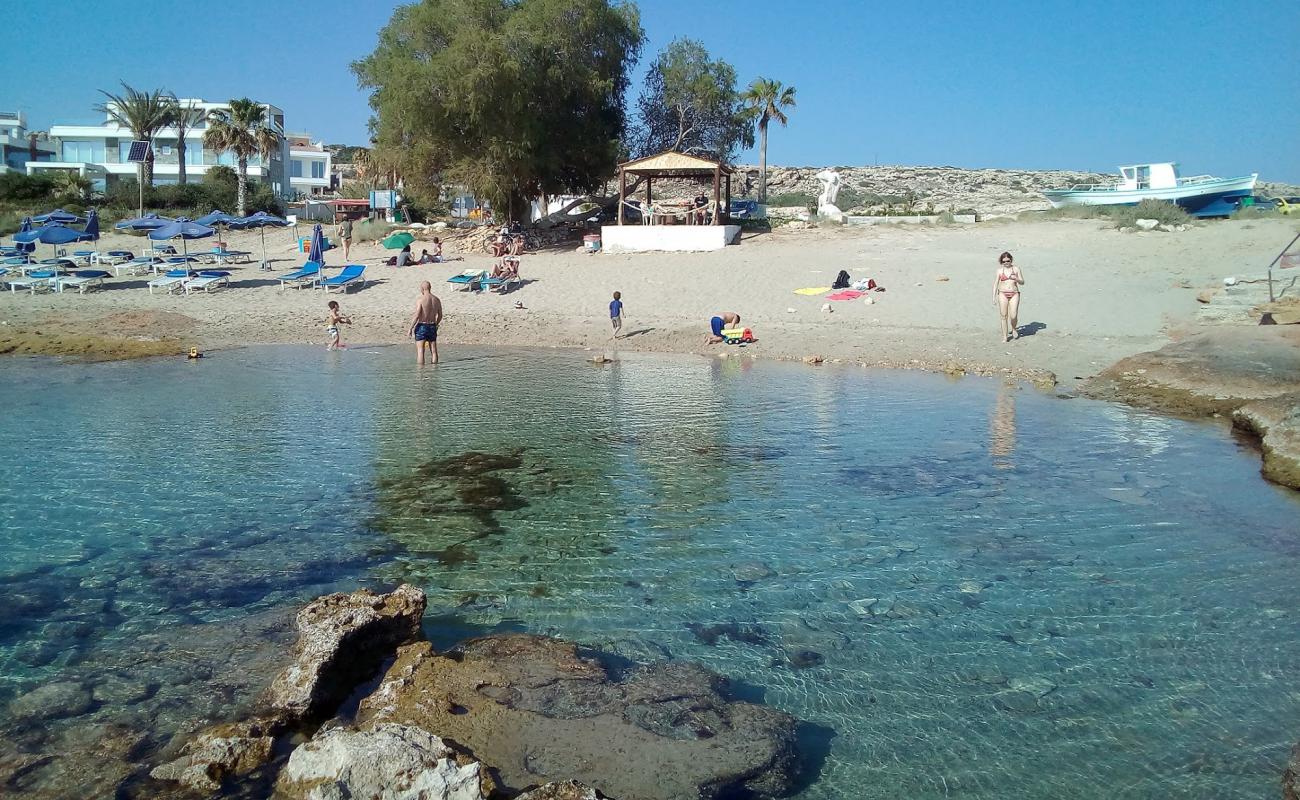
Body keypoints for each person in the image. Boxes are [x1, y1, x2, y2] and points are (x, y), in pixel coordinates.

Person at [992, 251, 1025, 342]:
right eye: (1004, 261)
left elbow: (1022, 282)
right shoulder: (999, 271)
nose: (1006, 263)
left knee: (1013, 315)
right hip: (1002, 293)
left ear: (1011, 260)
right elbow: (995, 284)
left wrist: (1017, 279)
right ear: (1001, 262)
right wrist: (993, 297)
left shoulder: (1016, 269)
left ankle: (1014, 328)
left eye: (1008, 261)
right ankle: (1005, 336)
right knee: (1003, 315)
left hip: (1014, 293)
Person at [409, 281, 443, 365]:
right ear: (430, 288)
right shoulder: (436, 300)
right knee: (434, 351)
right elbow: (440, 315)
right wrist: (436, 324)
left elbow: (417, 315)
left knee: (421, 351)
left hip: (422, 325)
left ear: (422, 289)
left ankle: (421, 372)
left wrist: (410, 328)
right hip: (432, 325)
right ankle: (434, 369)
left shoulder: (420, 300)